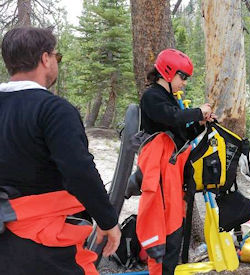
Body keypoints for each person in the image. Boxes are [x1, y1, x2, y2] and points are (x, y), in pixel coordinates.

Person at [0, 27, 120, 274]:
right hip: (43, 242)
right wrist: (107, 220)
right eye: (57, 56)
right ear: (45, 59)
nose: (57, 62)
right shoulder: (53, 110)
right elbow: (79, 171)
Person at [136, 48, 215, 275]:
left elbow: (182, 135)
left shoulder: (169, 99)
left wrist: (199, 124)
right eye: (183, 77)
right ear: (168, 73)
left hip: (172, 173)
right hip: (158, 173)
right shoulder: (152, 97)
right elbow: (172, 118)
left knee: (175, 230)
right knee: (162, 232)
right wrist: (197, 112)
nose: (184, 83)